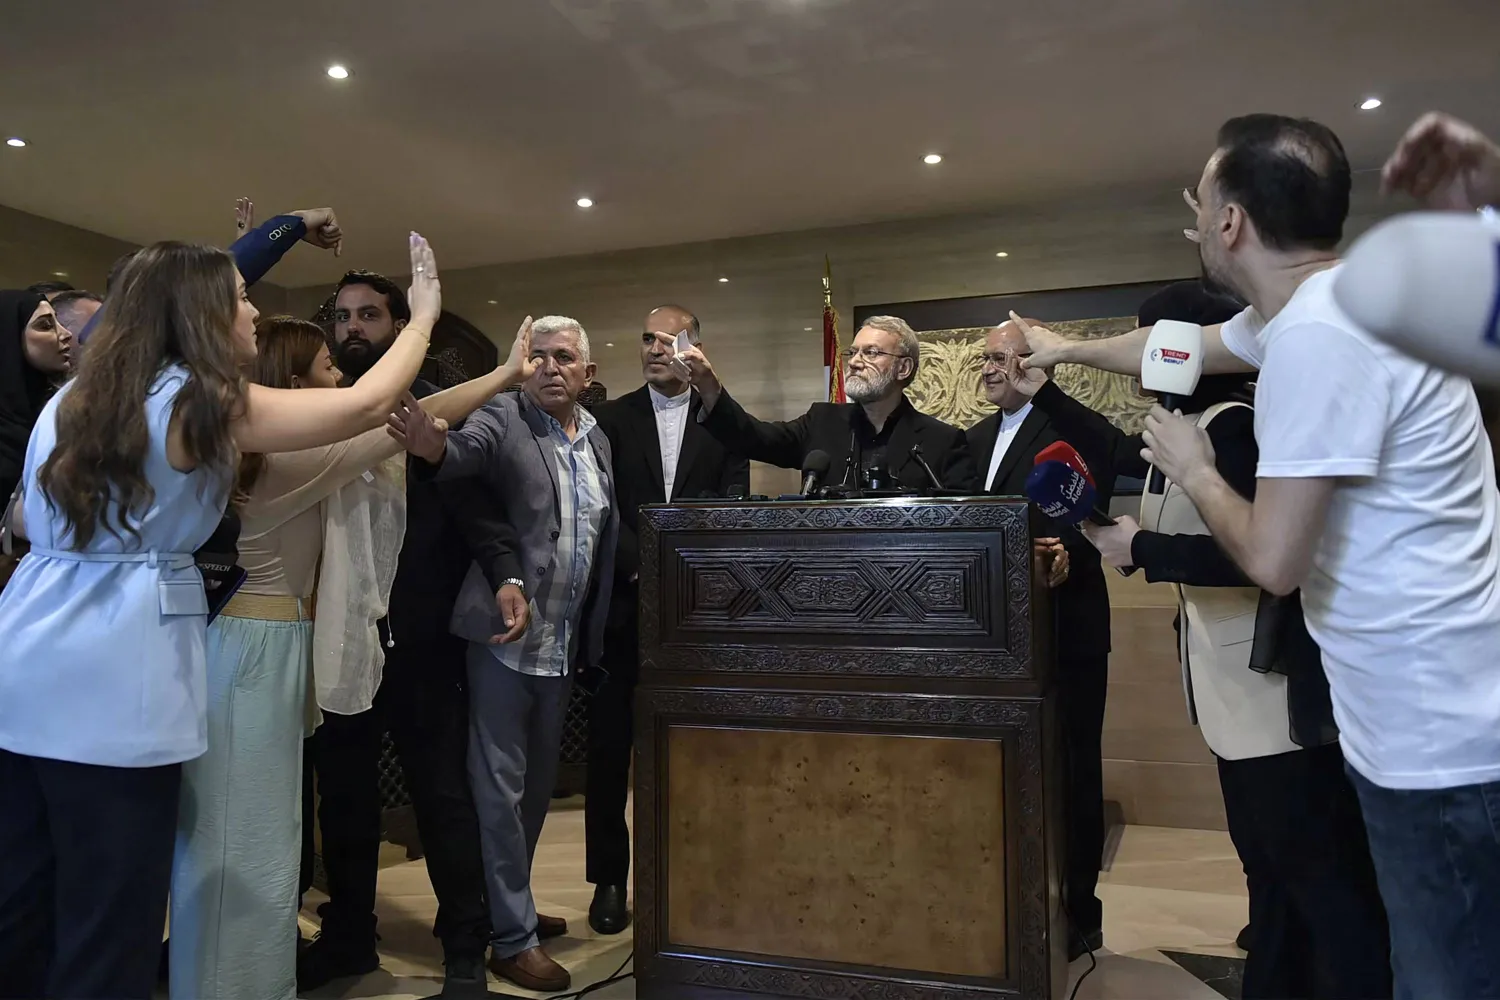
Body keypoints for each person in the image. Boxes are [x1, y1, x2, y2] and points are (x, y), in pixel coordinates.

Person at [1026, 113, 1500, 998]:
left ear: (1232, 222)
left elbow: (1274, 561)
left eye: (1199, 204)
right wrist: (1061, 349)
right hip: (1414, 713)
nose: (1192, 221)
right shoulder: (1313, 310)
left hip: (1436, 729)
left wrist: (1198, 471)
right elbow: (1176, 349)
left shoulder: (1318, 342)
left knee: (1441, 968)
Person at [0, 232, 443, 1000]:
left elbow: (31, 522)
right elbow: (367, 405)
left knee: (27, 902)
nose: (252, 312)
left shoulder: (72, 397)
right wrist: (424, 317)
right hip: (114, 678)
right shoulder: (192, 398)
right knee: (111, 922)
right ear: (200, 314)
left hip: (24, 659)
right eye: (240, 299)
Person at [1020, 282, 1392, 998]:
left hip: (1279, 698)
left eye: (1148, 345)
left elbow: (1269, 557)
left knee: (1320, 889)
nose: (1136, 363)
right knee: (1271, 877)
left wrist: (1148, 549)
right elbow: (1117, 453)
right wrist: (1053, 397)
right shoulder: (1189, 425)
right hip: (1233, 698)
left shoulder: (1239, 428)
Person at [171, 306, 530, 1000]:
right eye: (328, 365)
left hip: (268, 640)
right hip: (259, 645)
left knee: (260, 831)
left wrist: (503, 373)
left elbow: (410, 418)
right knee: (248, 834)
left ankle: (243, 974)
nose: (341, 369)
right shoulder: (292, 455)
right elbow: (399, 417)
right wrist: (449, 334)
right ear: (295, 385)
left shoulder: (261, 444)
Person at [296, 271, 527, 995]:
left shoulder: (430, 412)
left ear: (400, 325)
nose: (353, 328)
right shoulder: (310, 411)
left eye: (369, 315)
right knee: (347, 802)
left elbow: (474, 506)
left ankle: (464, 943)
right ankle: (348, 937)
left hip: (421, 642)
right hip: (338, 643)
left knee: (442, 797)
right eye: (342, 317)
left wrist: (505, 572)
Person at [392, 314, 618, 994]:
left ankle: (504, 904)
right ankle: (510, 940)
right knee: (498, 791)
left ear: (587, 372)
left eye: (564, 357)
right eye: (540, 355)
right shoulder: (501, 418)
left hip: (563, 644)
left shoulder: (598, 440)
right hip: (500, 638)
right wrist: (433, 443)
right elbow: (457, 454)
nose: (551, 367)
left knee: (534, 793)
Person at [586, 304, 748, 935]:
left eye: (667, 338)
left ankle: (698, 875)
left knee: (697, 753)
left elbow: (731, 507)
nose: (654, 348)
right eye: (646, 338)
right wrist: (646, 568)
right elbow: (600, 506)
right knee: (608, 753)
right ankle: (609, 880)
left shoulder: (723, 420)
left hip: (697, 617)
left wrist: (681, 576)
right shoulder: (610, 419)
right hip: (621, 614)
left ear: (694, 347)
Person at [963, 318, 1108, 958]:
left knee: (1071, 771)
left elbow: (1094, 514)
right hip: (997, 639)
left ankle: (1080, 912)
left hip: (1065, 627)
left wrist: (1067, 550)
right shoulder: (970, 441)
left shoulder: (1071, 429)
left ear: (1038, 365)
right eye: (985, 359)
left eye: (1004, 358)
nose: (991, 368)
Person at [678, 315, 977, 492]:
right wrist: (708, 385)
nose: (856, 362)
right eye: (854, 352)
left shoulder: (943, 442)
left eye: (871, 353)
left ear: (904, 368)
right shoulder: (821, 421)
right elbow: (753, 438)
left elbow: (969, 526)